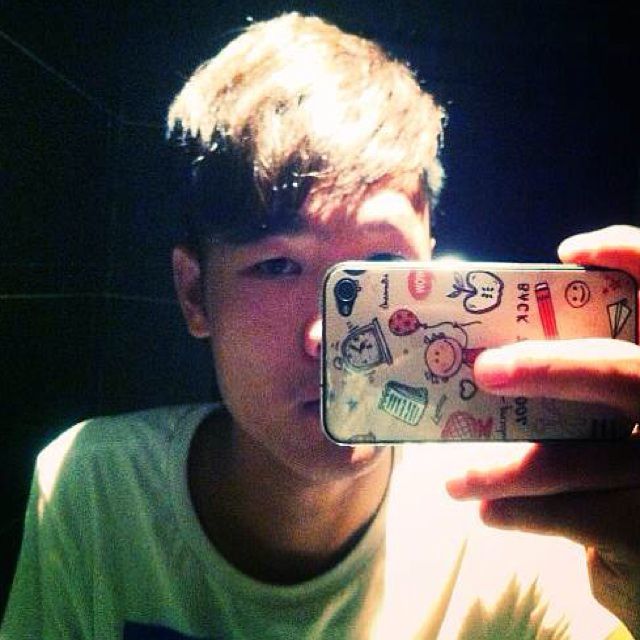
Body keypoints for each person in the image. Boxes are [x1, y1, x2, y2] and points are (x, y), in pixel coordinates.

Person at [2, 12, 639, 640]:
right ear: (195, 293)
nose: (332, 341)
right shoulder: (97, 489)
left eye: (383, 267)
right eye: (277, 265)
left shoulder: (518, 512)